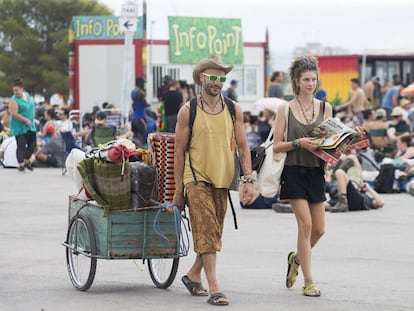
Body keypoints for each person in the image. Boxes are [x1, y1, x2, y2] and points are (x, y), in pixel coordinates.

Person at [173, 55, 254, 306]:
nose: (218, 82)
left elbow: (243, 146)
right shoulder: (189, 110)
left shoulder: (233, 109)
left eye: (222, 78)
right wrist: (178, 189)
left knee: (213, 233)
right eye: (213, 77)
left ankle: (192, 274)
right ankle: (214, 287)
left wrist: (248, 179)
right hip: (195, 176)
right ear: (201, 79)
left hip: (222, 177)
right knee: (207, 228)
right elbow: (178, 151)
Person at [273, 56, 333, 297]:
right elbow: (276, 145)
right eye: (306, 79)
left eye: (313, 79)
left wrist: (343, 142)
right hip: (293, 170)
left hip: (316, 171)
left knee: (319, 229)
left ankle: (296, 259)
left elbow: (329, 143)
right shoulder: (285, 108)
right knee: (305, 225)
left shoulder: (325, 108)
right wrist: (299, 142)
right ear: (296, 82)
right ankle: (309, 281)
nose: (310, 83)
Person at [8, 78, 37, 172]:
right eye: (14, 90)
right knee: (21, 144)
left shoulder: (27, 95)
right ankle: (21, 164)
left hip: (30, 124)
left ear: (22, 89)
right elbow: (14, 113)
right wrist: (25, 120)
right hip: (19, 125)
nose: (15, 92)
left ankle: (26, 160)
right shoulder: (13, 100)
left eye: (17, 90)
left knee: (33, 144)